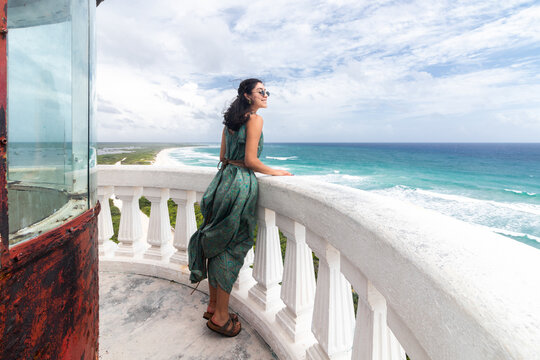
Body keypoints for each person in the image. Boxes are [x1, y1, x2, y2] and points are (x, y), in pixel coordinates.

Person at [188, 78, 292, 337]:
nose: (266, 95)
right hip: (240, 185)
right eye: (261, 91)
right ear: (247, 95)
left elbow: (224, 157)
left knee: (216, 242)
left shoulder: (230, 123)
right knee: (232, 248)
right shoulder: (255, 120)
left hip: (222, 181)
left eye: (266, 91)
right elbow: (251, 160)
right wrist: (275, 172)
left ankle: (213, 306)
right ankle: (221, 318)